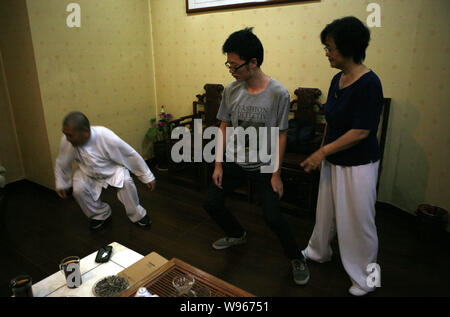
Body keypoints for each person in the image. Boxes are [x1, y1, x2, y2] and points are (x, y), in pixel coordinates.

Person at [203, 27, 310, 286]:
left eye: (235, 65)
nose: (231, 70)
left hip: (264, 165)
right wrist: (218, 164)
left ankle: (297, 258)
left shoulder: (278, 94)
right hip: (233, 161)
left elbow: (282, 135)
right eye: (228, 64)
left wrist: (276, 173)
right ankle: (237, 233)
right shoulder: (231, 90)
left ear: (253, 62)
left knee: (273, 217)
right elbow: (224, 126)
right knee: (211, 202)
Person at [299, 17, 384, 296]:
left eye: (330, 48)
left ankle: (366, 278)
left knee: (359, 221)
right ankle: (318, 251)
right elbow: (333, 123)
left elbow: (361, 131)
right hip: (333, 158)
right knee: (325, 213)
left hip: (359, 164)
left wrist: (323, 151)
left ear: (348, 48)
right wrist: (322, 154)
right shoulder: (338, 78)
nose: (327, 53)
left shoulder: (369, 83)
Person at [55, 112, 156, 230]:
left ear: (85, 132)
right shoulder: (67, 140)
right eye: (65, 134)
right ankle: (99, 214)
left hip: (112, 168)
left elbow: (129, 154)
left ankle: (138, 214)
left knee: (126, 182)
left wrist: (146, 176)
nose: (67, 138)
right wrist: (62, 182)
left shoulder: (105, 135)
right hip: (86, 171)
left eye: (70, 135)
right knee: (78, 189)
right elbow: (62, 161)